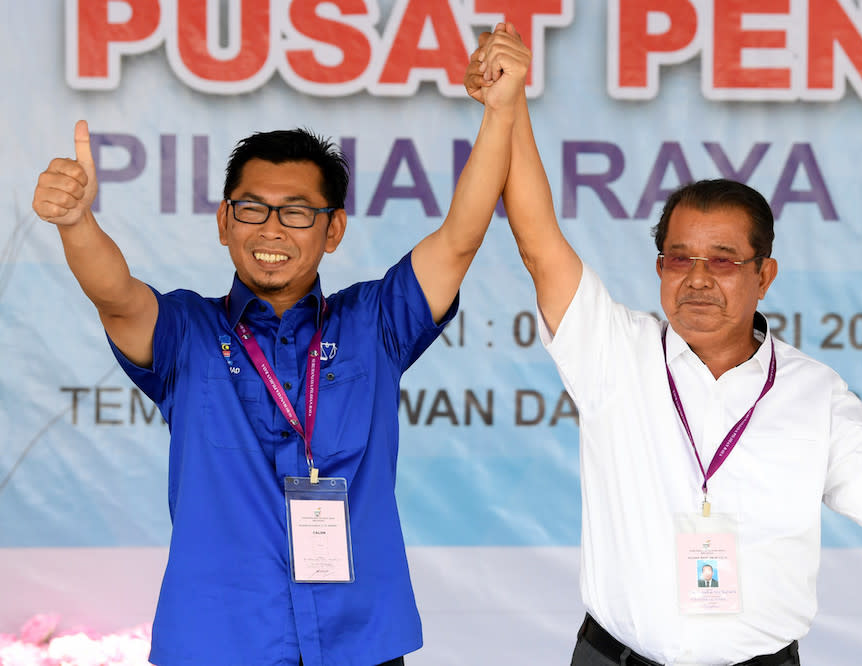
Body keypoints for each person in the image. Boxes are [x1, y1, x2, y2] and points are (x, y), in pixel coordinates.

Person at [31, 23, 528, 666]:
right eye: (251, 208)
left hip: (360, 638)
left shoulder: (374, 321)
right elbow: (116, 295)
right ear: (223, 221)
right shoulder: (187, 333)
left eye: (296, 212)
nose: (271, 229)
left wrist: (500, 111)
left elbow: (460, 237)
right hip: (218, 640)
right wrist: (76, 223)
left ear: (333, 229)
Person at [465, 30, 862, 666]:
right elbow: (538, 240)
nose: (697, 278)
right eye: (679, 258)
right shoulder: (615, 350)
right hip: (615, 657)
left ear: (764, 275)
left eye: (722, 261)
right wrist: (511, 106)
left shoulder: (812, 389)